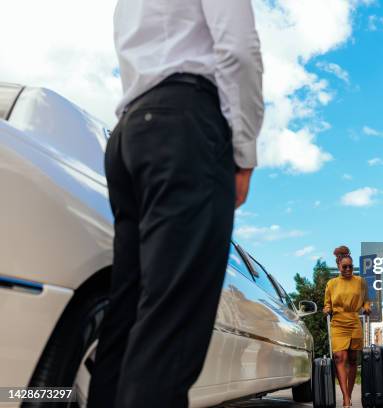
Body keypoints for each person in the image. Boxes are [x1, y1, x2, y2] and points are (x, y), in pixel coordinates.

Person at [87, 1, 263, 407]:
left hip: (131, 132)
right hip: (184, 125)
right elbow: (238, 49)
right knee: (171, 325)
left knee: (127, 316)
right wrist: (244, 153)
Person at [323, 246, 371, 408]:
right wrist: (327, 309)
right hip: (338, 323)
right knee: (339, 358)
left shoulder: (360, 282)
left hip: (354, 321)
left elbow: (366, 299)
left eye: (350, 266)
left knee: (352, 359)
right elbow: (327, 304)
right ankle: (345, 399)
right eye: (345, 266)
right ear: (339, 267)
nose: (348, 269)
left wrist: (367, 307)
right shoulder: (331, 284)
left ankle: (348, 395)